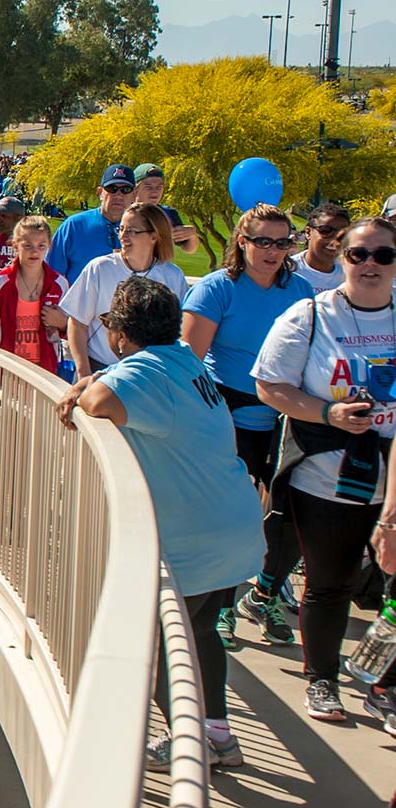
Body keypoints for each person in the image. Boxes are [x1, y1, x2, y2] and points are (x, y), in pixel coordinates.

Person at [57, 278, 260, 769]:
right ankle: (218, 734)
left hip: (192, 542)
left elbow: (101, 403)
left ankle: (191, 742)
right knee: (203, 634)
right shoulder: (184, 361)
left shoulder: (145, 370)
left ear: (120, 334)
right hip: (232, 530)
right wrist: (93, 380)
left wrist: (84, 387)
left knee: (164, 649)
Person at [254, 217, 396, 724]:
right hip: (325, 476)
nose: (371, 265)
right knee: (330, 583)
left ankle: (385, 687)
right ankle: (322, 680)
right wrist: (328, 413)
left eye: (384, 255)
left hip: (390, 477)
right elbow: (270, 386)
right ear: (341, 256)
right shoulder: (310, 315)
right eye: (359, 254)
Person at [184, 206, 314, 648]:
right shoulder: (218, 289)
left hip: (285, 413)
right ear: (242, 241)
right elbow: (190, 362)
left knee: (284, 514)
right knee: (232, 515)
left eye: (282, 242)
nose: (273, 251)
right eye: (263, 241)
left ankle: (264, 594)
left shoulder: (300, 292)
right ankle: (220, 609)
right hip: (228, 411)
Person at [62, 202, 190, 378]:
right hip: (97, 371)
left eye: (132, 231)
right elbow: (76, 323)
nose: (123, 236)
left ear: (154, 236)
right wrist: (84, 373)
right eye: (121, 229)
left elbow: (180, 333)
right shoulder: (100, 268)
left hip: (148, 377)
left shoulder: (172, 277)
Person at [0, 216, 69, 374]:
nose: (35, 251)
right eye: (27, 246)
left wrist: (64, 323)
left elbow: (74, 330)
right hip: (7, 370)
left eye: (41, 246)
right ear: (15, 246)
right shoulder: (0, 284)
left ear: (49, 246)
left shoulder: (59, 284)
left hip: (45, 372)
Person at [46, 163, 137, 282]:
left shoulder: (142, 230)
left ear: (134, 195)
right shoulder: (74, 226)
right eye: (112, 189)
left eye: (126, 190)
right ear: (100, 193)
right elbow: (52, 275)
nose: (118, 195)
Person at [132, 164, 200, 254]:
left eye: (159, 187)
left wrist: (192, 235)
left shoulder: (168, 213)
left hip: (159, 266)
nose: (154, 191)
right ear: (135, 189)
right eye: (148, 187)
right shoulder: (123, 213)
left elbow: (188, 248)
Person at [292, 203, 351, 293]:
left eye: (342, 235)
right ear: (308, 232)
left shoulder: (349, 275)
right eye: (326, 231)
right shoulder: (287, 271)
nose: (334, 240)